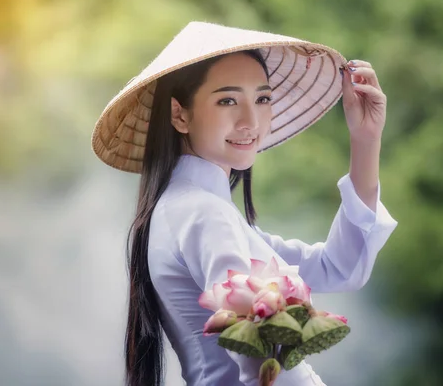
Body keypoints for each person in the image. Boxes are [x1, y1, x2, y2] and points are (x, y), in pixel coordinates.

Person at [91, 21, 398, 386]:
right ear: (179, 114)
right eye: (228, 100)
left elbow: (338, 266)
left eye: (263, 99)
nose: (251, 121)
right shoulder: (202, 214)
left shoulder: (192, 210)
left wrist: (365, 140)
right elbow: (258, 358)